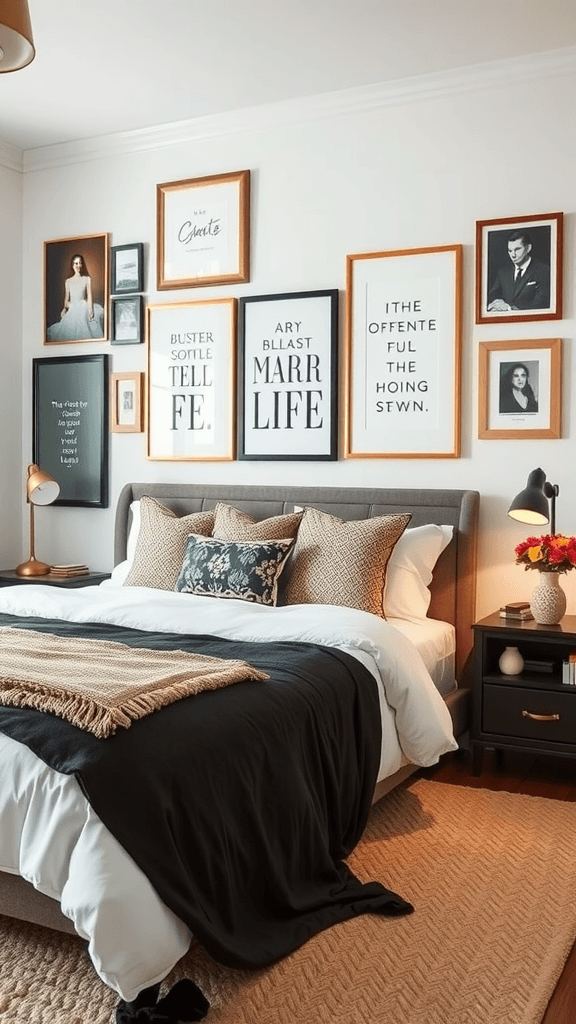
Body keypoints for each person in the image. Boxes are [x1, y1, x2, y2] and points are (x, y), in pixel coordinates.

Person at [487, 230, 550, 312]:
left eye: (517, 249)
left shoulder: (544, 271)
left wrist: (509, 308)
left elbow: (541, 304)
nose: (513, 255)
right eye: (510, 251)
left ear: (528, 248)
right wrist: (496, 303)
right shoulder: (503, 273)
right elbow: (492, 296)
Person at [47, 254, 105, 341]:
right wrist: (65, 308)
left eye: (79, 263)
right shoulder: (68, 281)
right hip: (73, 307)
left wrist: (90, 310)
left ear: (82, 265)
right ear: (72, 265)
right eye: (76, 263)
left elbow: (89, 295)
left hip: (83, 306)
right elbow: (66, 300)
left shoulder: (87, 279)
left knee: (86, 322)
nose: (78, 266)